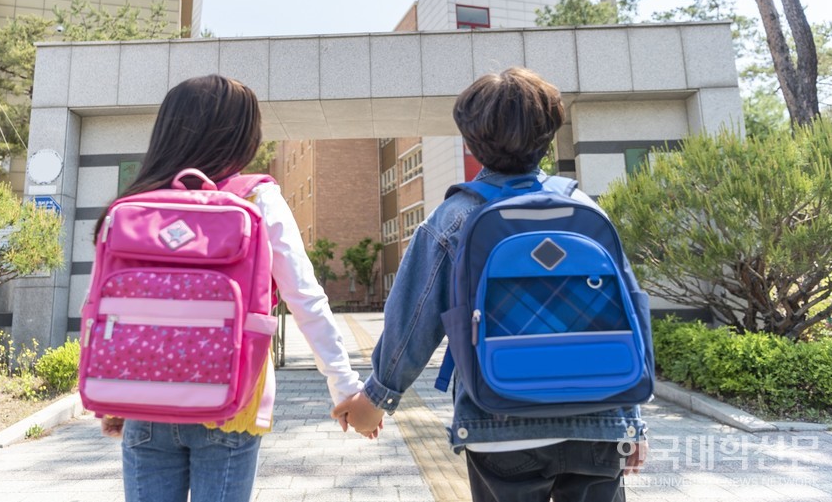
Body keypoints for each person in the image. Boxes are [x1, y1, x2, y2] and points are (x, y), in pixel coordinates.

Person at [332, 67, 648, 502]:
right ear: (549, 133)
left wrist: (377, 398)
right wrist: (631, 423)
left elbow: (413, 321)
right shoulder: (584, 209)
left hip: (498, 421)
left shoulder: (454, 218)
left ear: (470, 141)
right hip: (597, 423)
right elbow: (623, 320)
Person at [94, 75, 362, 502]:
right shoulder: (257, 198)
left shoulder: (136, 204)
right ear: (241, 137)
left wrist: (110, 396)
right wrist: (345, 389)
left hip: (145, 399)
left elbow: (108, 305)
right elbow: (305, 297)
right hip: (230, 403)